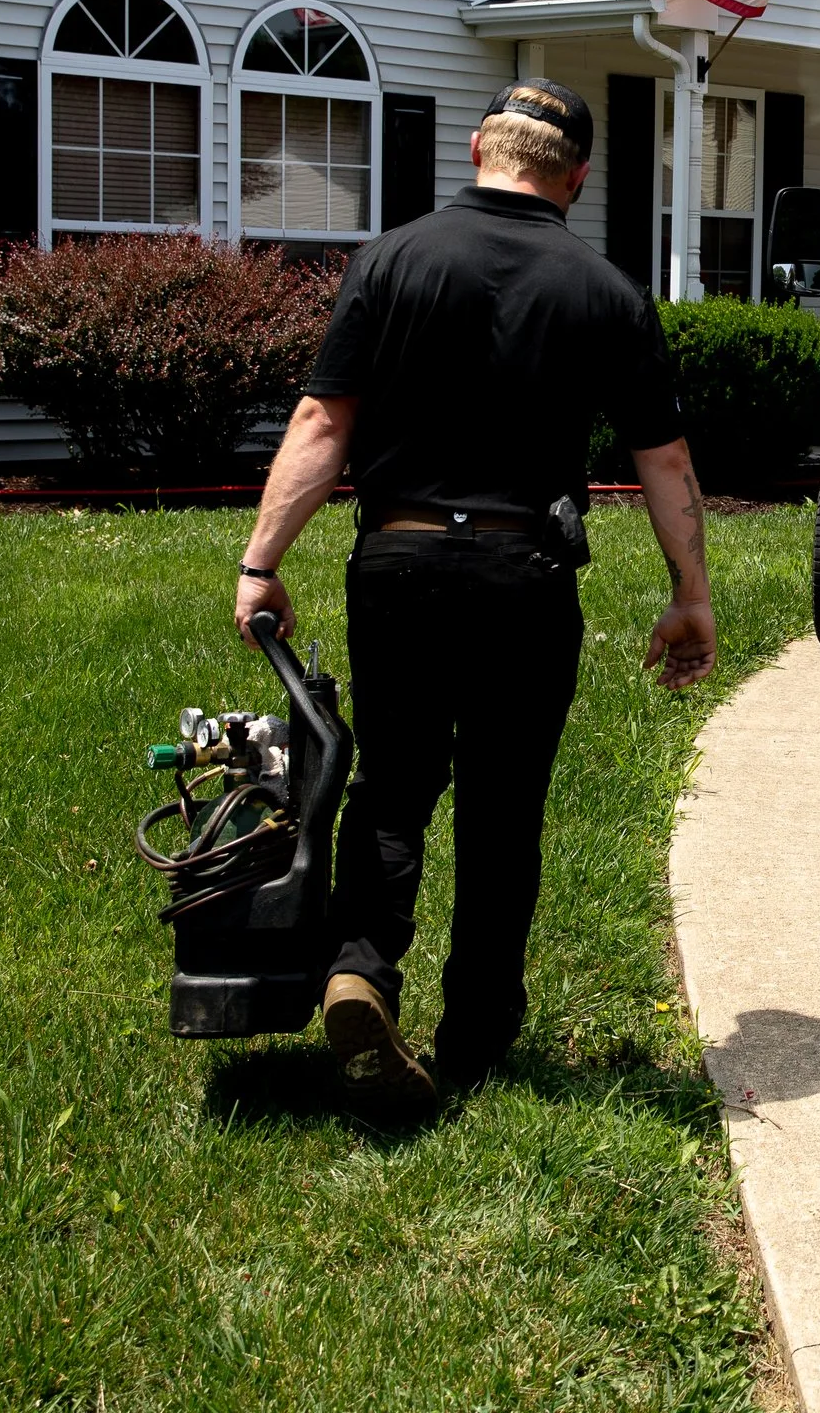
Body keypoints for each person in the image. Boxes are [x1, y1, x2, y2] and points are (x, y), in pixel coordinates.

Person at [233, 81, 715, 1115]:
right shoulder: (604, 287)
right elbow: (664, 456)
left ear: (477, 147)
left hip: (397, 563)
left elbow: (323, 421)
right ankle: (478, 1032)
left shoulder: (392, 257)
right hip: (523, 575)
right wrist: (690, 593)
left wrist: (261, 560)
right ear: (574, 180)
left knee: (394, 787)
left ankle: (360, 965)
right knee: (504, 812)